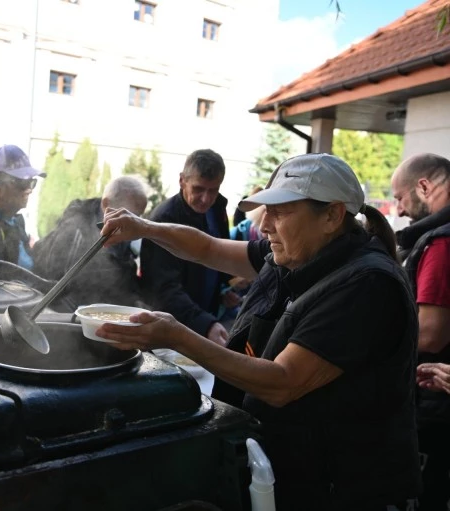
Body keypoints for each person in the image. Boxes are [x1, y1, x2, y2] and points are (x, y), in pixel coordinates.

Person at [98, 153, 421, 510]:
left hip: (344, 489)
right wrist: (145, 227)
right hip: (293, 468)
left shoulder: (366, 285)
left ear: (331, 215)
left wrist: (176, 334)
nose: (265, 225)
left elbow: (283, 383)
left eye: (280, 212)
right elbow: (207, 248)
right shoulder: (296, 252)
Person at [391, 152, 450, 510]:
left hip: (433, 403)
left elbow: (430, 335)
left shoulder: (441, 244)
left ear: (424, 186)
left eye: (399, 197)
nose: (397, 210)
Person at [140, 148, 239, 346]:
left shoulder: (217, 208)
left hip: (205, 317)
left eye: (213, 190)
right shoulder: (164, 221)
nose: (206, 199)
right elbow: (164, 290)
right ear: (181, 181)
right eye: (198, 189)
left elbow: (213, 257)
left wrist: (224, 287)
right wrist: (205, 324)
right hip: (172, 329)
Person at [32, 176, 148, 309]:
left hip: (104, 311)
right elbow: (53, 287)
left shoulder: (123, 234)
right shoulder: (75, 231)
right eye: (129, 214)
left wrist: (134, 302)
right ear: (106, 205)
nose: (133, 221)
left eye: (138, 216)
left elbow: (123, 281)